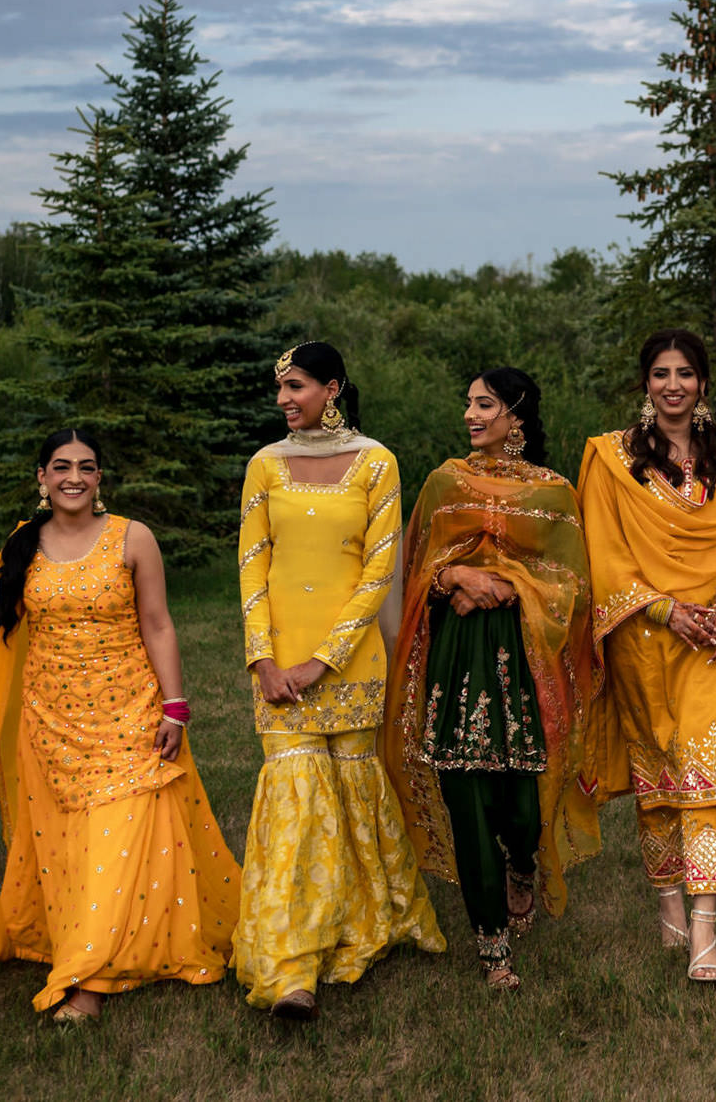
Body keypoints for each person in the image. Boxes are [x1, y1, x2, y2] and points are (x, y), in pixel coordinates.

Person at [0, 430, 240, 1021]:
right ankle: (93, 944)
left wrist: (174, 706)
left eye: (87, 467)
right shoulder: (23, 544)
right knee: (76, 849)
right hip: (50, 722)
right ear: (41, 477)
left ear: (101, 478)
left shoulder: (132, 537)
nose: (74, 476)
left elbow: (158, 624)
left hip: (131, 713)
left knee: (118, 837)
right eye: (61, 467)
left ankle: (87, 984)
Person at [234, 342, 443, 1018]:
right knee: (296, 802)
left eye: (296, 387)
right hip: (279, 664)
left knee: (352, 796)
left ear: (333, 389)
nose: (284, 400)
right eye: (280, 390)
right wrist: (264, 660)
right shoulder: (263, 465)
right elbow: (252, 568)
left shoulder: (377, 463)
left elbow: (379, 574)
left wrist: (322, 660)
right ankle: (292, 964)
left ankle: (362, 927)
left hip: (350, 661)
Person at [382, 368, 602, 990]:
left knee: (520, 801)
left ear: (517, 416)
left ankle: (523, 863)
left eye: (485, 404)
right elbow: (414, 562)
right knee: (464, 787)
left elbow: (574, 582)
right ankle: (491, 945)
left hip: (524, 654)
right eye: (469, 404)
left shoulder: (554, 492)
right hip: (456, 651)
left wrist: (505, 585)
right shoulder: (442, 482)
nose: (471, 415)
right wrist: (454, 579)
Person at [577, 328, 716, 983]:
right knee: (661, 780)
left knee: (707, 780)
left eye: (684, 373)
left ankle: (703, 931)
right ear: (645, 384)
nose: (672, 385)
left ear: (702, 384)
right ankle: (667, 902)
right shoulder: (611, 460)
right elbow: (604, 558)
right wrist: (668, 610)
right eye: (660, 373)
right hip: (647, 638)